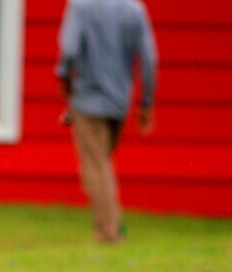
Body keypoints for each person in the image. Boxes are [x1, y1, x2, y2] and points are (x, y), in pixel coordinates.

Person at [56, 0, 158, 243]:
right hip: (119, 102)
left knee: (95, 167)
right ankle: (114, 223)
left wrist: (63, 76)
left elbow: (69, 50)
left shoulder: (80, 7)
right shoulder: (134, 10)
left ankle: (107, 232)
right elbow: (149, 58)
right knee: (102, 164)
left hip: (88, 100)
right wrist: (146, 102)